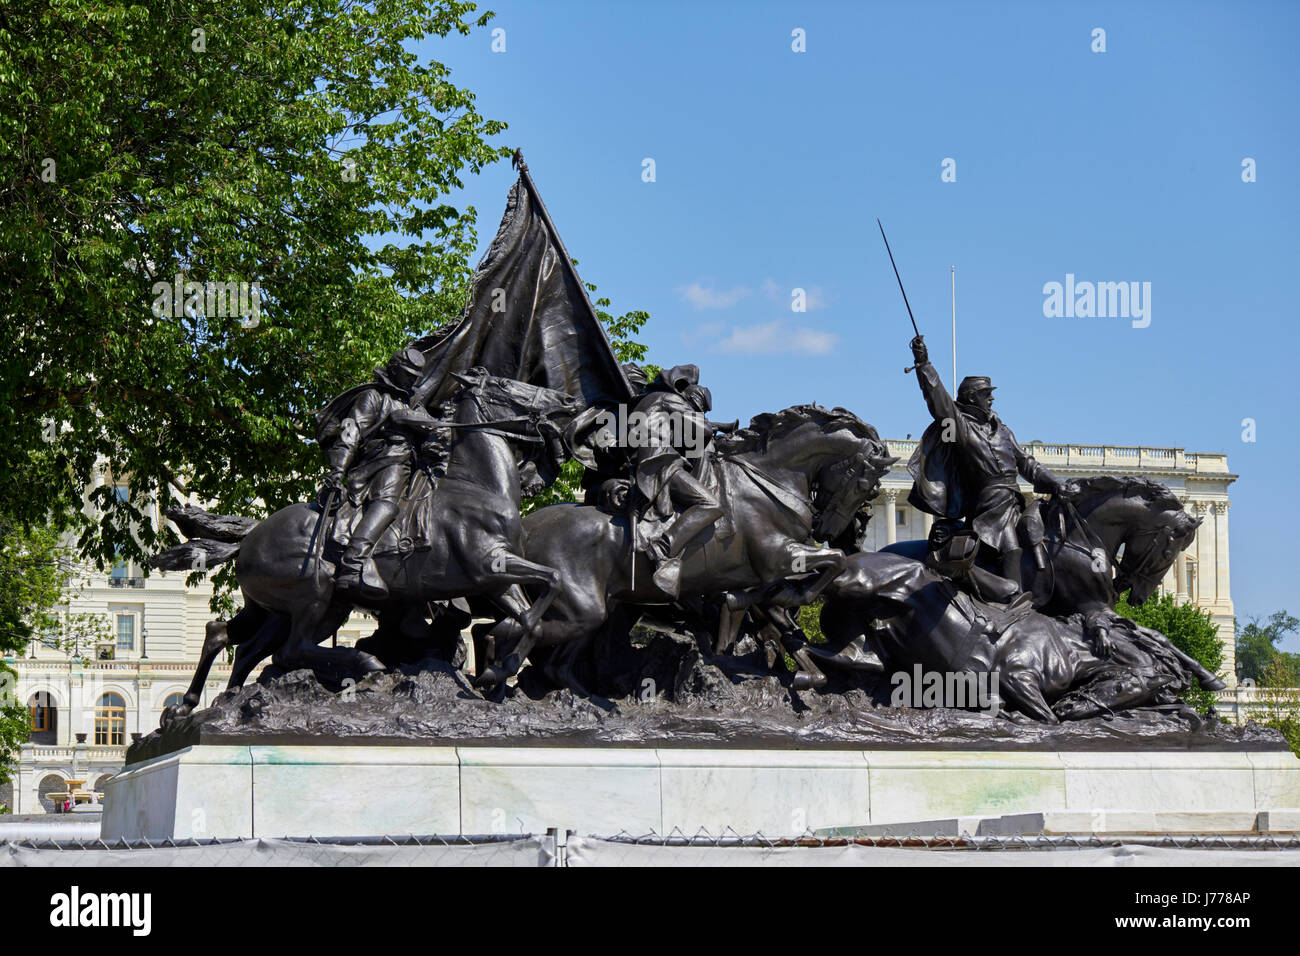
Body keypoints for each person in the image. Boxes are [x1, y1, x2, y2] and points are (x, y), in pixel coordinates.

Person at [906, 334, 1070, 600]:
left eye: (991, 394)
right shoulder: (961, 426)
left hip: (1014, 501)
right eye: (986, 395)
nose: (991, 399)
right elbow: (939, 402)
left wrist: (1054, 482)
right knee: (1012, 549)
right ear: (971, 398)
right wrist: (924, 363)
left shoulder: (1003, 430)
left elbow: (1027, 463)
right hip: (989, 506)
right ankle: (1011, 603)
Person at [314, 346, 443, 600]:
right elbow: (351, 433)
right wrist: (338, 470)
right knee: (386, 505)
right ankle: (353, 563)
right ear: (394, 370)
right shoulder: (373, 397)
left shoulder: (412, 403)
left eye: (415, 376)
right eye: (407, 374)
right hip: (381, 463)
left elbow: (435, 426)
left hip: (414, 468)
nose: (412, 380)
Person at [629, 364, 730, 596]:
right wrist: (711, 424)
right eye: (696, 407)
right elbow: (701, 430)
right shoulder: (668, 399)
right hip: (659, 463)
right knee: (711, 504)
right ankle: (663, 548)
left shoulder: (652, 398)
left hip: (648, 461)